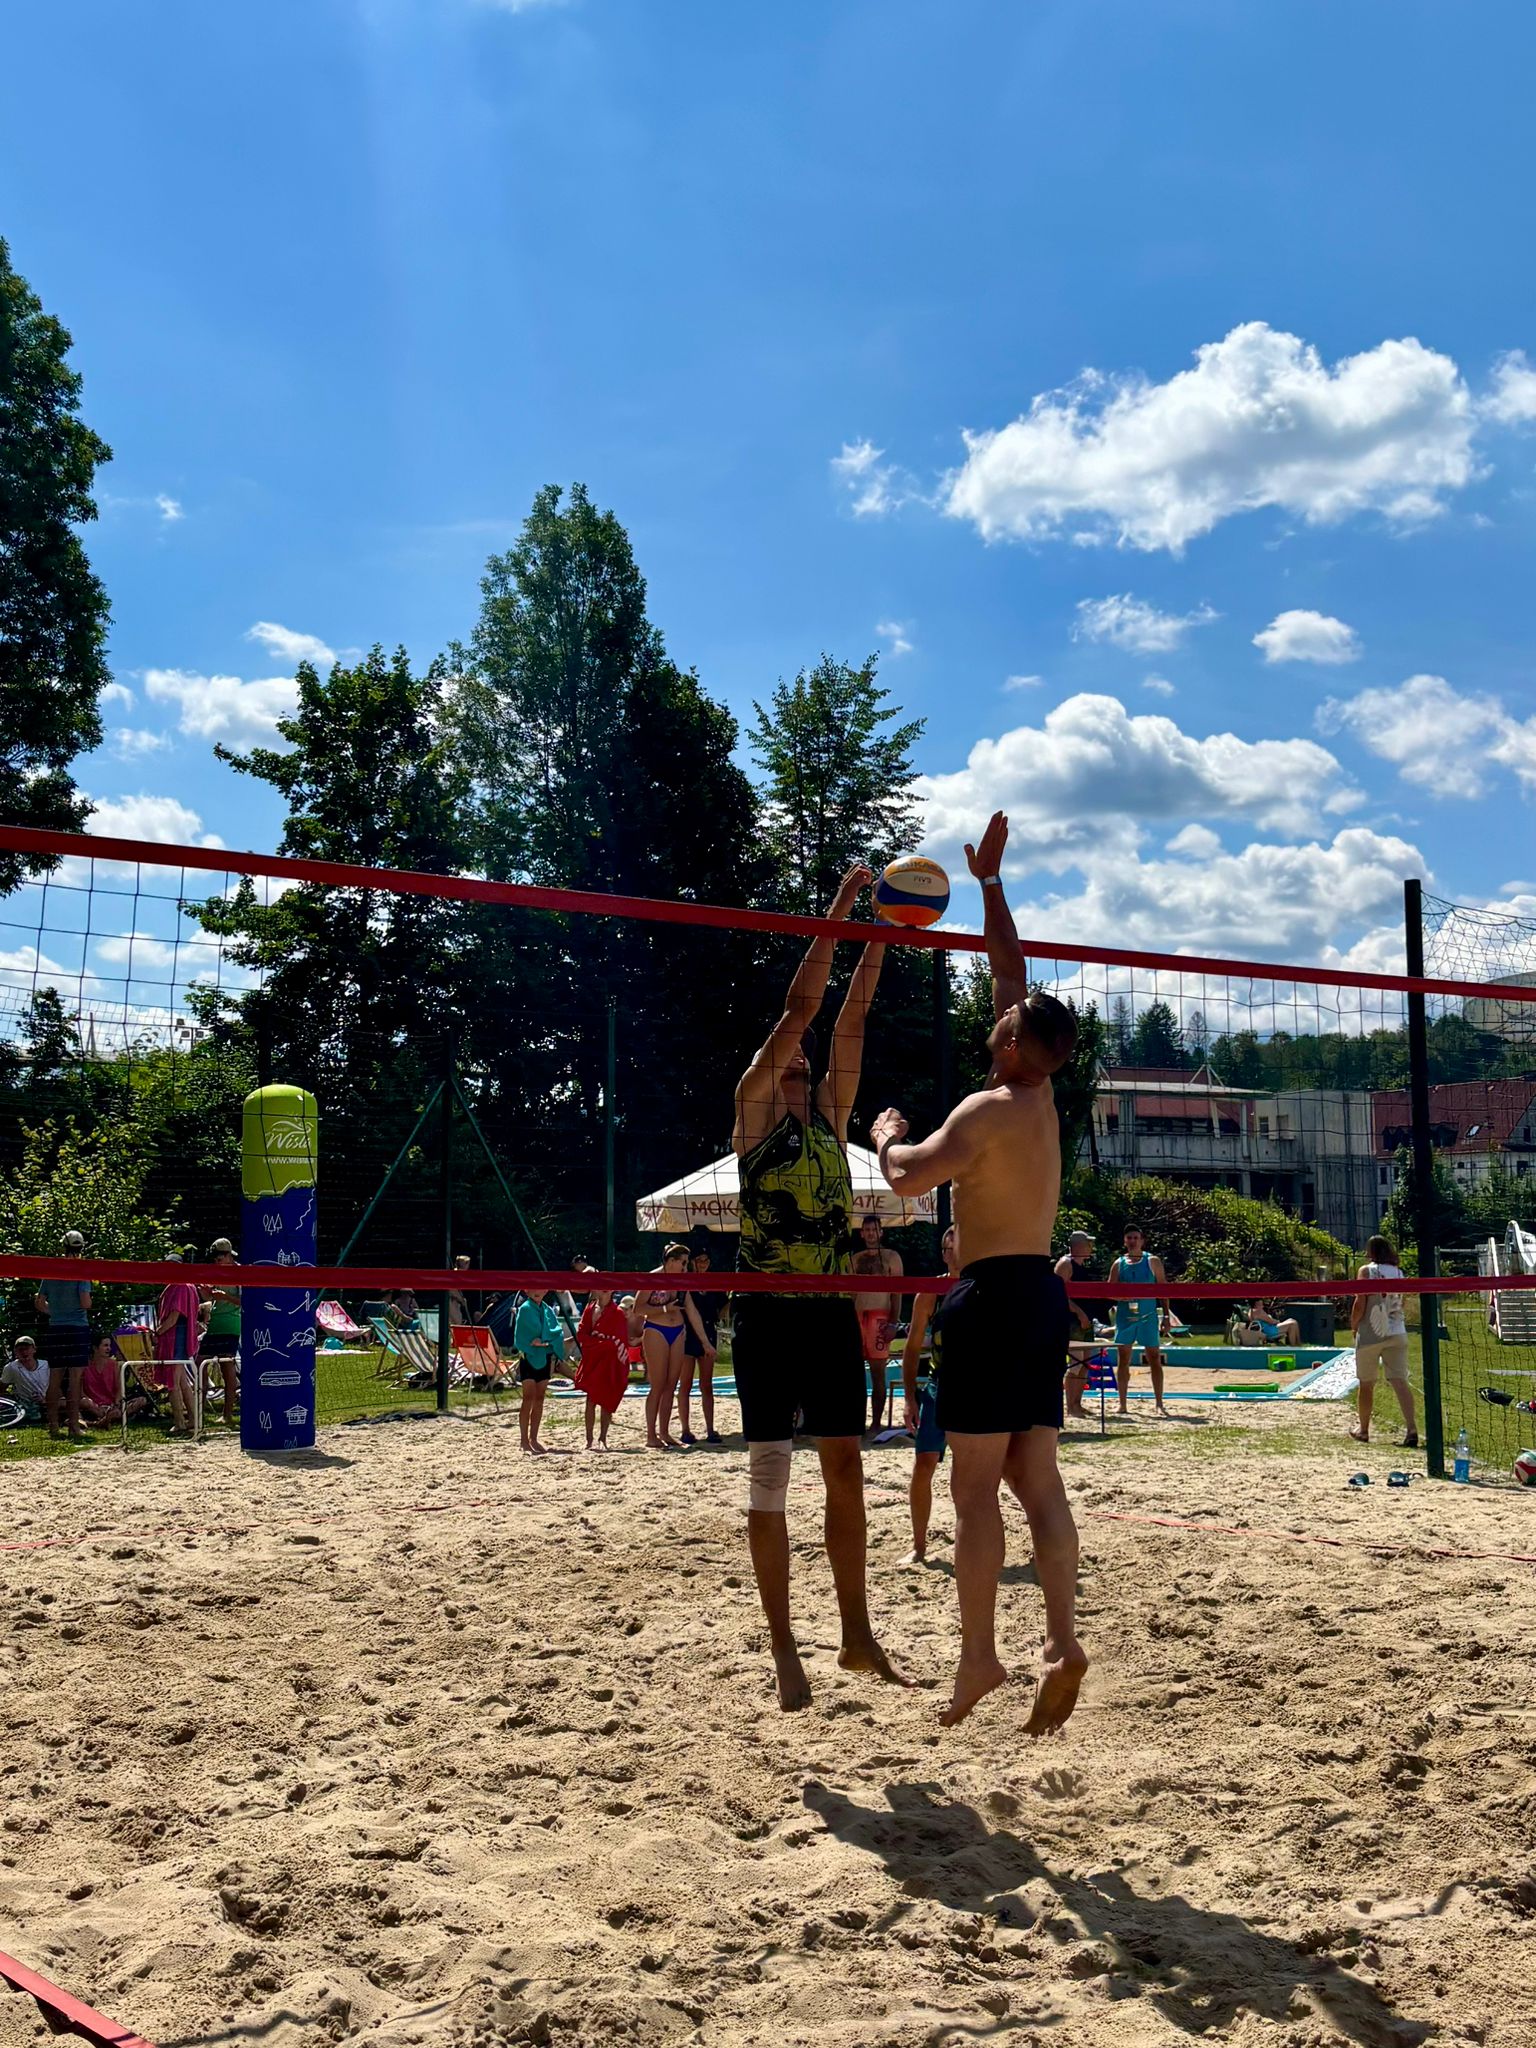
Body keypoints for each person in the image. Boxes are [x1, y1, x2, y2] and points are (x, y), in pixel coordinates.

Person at [872, 810, 1086, 1733]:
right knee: (1040, 1483)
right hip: (1041, 1294)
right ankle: (1063, 1640)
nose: (998, 1011)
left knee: (972, 1491)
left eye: (1000, 1021)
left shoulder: (984, 1110)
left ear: (1008, 1046)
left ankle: (980, 1658)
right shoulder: (1040, 1095)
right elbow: (1011, 971)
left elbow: (907, 1179)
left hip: (991, 1299)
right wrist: (991, 882)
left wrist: (886, 1135)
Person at [732, 860, 904, 1712]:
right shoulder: (754, 1111)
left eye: (803, 1061)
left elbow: (852, 1015)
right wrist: (839, 906)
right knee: (770, 1475)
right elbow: (802, 1012)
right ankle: (783, 1647)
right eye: (790, 1059)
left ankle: (856, 1634)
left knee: (845, 1467)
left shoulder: (833, 1121)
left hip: (829, 1316)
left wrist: (885, 928)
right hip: (767, 1318)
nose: (801, 1059)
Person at [900, 1224, 961, 1565]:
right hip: (939, 1386)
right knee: (924, 1464)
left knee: (973, 1471)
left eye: (958, 1246)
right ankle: (919, 1546)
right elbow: (911, 1349)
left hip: (977, 1390)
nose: (953, 1252)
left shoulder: (984, 1287)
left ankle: (972, 1540)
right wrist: (909, 1398)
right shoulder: (930, 1292)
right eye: (948, 1247)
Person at [635, 1245, 708, 1451]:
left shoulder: (681, 1281)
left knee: (671, 1385)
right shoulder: (652, 1278)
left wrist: (705, 1342)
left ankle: (665, 1432)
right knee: (657, 1385)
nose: (686, 1267)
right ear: (671, 1261)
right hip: (656, 1329)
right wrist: (665, 1308)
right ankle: (651, 1435)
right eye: (683, 1263)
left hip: (677, 1330)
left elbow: (692, 1311)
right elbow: (638, 1308)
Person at [1350, 1234, 1418, 1449]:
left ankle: (1363, 1430)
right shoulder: (1398, 1272)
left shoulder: (1366, 1271)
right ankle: (1412, 1429)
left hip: (1371, 1332)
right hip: (1397, 1332)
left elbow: (1360, 1303)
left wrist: (1353, 1325)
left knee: (1366, 1383)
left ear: (1370, 1251)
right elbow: (1401, 1303)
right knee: (1400, 1381)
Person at [1109, 1225, 1172, 1417]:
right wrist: (1120, 1297)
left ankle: (1159, 1403)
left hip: (1148, 1316)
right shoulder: (1119, 1263)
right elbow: (1109, 1291)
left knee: (1154, 1357)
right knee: (1123, 1359)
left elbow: (1163, 1290)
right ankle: (1122, 1403)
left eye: (1136, 1238)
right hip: (1125, 1317)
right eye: (1129, 1238)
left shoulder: (1152, 1261)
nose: (1132, 1241)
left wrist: (1166, 1316)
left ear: (1142, 1241)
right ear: (1124, 1241)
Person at [35, 1230, 92, 1441]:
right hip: (77, 1328)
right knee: (75, 1380)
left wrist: (56, 1312)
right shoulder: (82, 1270)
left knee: (55, 1378)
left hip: (56, 1329)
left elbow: (39, 1302)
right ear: (82, 1247)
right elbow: (85, 1303)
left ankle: (52, 1425)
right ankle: (73, 1426)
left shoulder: (51, 1270)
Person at [852, 1213, 904, 1431]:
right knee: (854, 1374)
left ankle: (875, 1423)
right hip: (858, 1316)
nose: (871, 1233)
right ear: (862, 1233)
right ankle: (856, 1422)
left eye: (874, 1229)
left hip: (879, 1317)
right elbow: (850, 1294)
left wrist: (893, 1323)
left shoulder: (891, 1257)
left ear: (881, 1232)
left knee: (877, 1373)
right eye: (867, 1230)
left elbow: (897, 1293)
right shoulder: (856, 1258)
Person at [678, 1244, 726, 1446]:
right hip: (688, 1335)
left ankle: (710, 1428)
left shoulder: (714, 1283)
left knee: (707, 1384)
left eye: (706, 1260)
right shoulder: (685, 1282)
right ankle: (685, 1429)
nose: (703, 1264)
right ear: (692, 1262)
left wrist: (724, 1314)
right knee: (686, 1384)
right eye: (699, 1260)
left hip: (708, 1331)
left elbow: (723, 1307)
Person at [575, 1286, 631, 1450]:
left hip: (610, 1362)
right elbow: (582, 1334)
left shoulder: (618, 1313)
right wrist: (600, 1344)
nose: (604, 1289)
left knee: (607, 1400)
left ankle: (603, 1439)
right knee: (591, 1400)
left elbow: (619, 1342)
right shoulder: (589, 1309)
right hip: (593, 1359)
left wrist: (599, 1344)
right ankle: (589, 1439)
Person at [152, 1251, 202, 1436]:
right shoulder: (186, 1285)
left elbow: (173, 1318)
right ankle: (194, 1419)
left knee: (173, 1382)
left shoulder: (180, 1286)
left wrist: (157, 1332)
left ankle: (179, 1422)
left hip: (175, 1339)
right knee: (182, 1382)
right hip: (178, 1338)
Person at [513, 1287, 565, 1454]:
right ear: (527, 1291)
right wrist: (542, 1340)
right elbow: (521, 1335)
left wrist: (543, 1340)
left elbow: (557, 1332)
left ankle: (533, 1438)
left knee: (540, 1398)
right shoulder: (525, 1309)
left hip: (544, 1356)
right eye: (533, 1288)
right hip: (528, 1357)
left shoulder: (547, 1310)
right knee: (528, 1397)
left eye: (541, 1288)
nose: (537, 1291)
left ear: (546, 1291)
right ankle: (523, 1440)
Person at [1055, 1231, 1097, 1423]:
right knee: (1075, 1363)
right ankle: (1070, 1406)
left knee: (1085, 1363)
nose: (1091, 1247)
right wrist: (1079, 1313)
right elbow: (1059, 1295)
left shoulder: (1081, 1266)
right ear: (1079, 1245)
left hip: (1085, 1321)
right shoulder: (1065, 1264)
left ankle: (1077, 1403)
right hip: (1071, 1321)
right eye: (1088, 1244)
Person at [200, 1238, 241, 1425]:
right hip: (215, 1322)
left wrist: (225, 1297)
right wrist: (207, 1294)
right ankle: (200, 1409)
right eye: (214, 1258)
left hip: (231, 1324)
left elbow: (245, 1301)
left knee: (227, 1366)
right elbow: (212, 1299)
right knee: (199, 1363)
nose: (216, 1261)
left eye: (219, 1258)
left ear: (229, 1255)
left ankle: (227, 1414)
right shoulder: (217, 1271)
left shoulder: (240, 1272)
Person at [79, 1332, 149, 1430]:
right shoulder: (85, 1366)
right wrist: (96, 1406)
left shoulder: (113, 1365)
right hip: (94, 1407)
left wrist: (116, 1404)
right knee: (84, 1402)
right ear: (95, 1348)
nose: (109, 1349)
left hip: (112, 1406)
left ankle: (101, 1421)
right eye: (105, 1345)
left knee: (142, 1400)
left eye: (109, 1346)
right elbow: (81, 1392)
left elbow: (119, 1388)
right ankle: (107, 1419)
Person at [2, 1335, 50, 1417]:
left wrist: (46, 1399)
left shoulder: (45, 1365)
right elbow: (2, 1387)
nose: (24, 1352)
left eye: (27, 1348)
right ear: (16, 1352)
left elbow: (55, 1386)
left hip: (47, 1402)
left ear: (34, 1349)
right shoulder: (11, 1367)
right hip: (24, 1404)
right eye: (20, 1349)